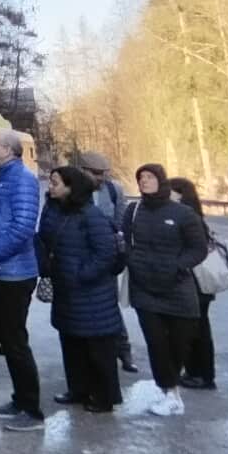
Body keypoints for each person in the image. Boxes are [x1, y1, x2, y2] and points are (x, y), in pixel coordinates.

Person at [125, 164, 210, 417]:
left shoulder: (183, 213)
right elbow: (126, 242)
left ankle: (171, 386)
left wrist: (177, 266)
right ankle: (170, 392)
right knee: (156, 343)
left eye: (149, 177)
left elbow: (199, 248)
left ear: (161, 181)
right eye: (140, 178)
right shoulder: (133, 211)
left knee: (178, 343)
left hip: (177, 288)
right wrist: (134, 262)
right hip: (144, 289)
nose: (144, 181)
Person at [40, 166, 126, 413]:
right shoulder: (57, 210)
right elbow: (44, 236)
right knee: (72, 344)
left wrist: (80, 275)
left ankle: (103, 397)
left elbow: (105, 254)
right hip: (67, 291)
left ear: (71, 187)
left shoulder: (91, 215)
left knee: (97, 349)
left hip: (91, 294)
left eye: (55, 183)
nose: (50, 187)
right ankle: (78, 389)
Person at [0, 129, 44, 429]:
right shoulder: (4, 178)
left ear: (9, 150)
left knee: (15, 342)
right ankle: (20, 401)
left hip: (14, 274)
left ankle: (32, 411)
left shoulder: (22, 180)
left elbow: (23, 226)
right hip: (1, 271)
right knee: (9, 339)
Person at [77, 150, 140, 374]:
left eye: (104, 173)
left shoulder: (114, 190)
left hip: (105, 259)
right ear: (82, 170)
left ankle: (123, 351)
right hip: (78, 258)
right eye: (96, 173)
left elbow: (121, 224)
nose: (101, 177)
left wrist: (116, 250)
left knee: (109, 306)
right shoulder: (71, 191)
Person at [168, 176, 220, 392]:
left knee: (196, 331)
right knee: (197, 329)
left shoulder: (189, 218)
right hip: (200, 284)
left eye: (170, 191)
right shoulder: (193, 216)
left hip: (197, 283)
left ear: (180, 194)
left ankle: (201, 375)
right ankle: (197, 372)